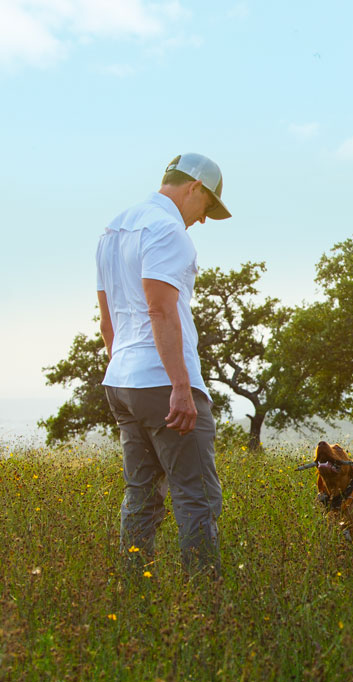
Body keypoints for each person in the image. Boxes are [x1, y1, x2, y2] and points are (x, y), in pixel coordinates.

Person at [96, 153, 231, 579]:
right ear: (195, 187)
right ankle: (206, 600)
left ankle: (135, 592)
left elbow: (107, 319)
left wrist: (125, 370)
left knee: (141, 495)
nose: (203, 219)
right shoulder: (168, 230)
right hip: (163, 382)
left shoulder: (113, 229)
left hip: (122, 380)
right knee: (198, 495)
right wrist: (180, 385)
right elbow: (161, 310)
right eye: (207, 207)